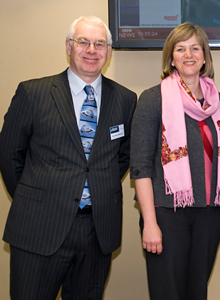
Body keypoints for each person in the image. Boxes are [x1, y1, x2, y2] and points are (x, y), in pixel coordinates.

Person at [0, 15, 137, 300]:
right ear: (68, 47)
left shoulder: (125, 99)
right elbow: (9, 155)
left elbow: (122, 158)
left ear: (108, 52)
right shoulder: (33, 92)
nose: (91, 50)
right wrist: (36, 198)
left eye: (100, 44)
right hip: (39, 227)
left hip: (96, 231)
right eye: (83, 42)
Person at [130, 22, 220, 300]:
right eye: (180, 49)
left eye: (194, 48)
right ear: (171, 56)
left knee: (197, 292)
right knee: (168, 293)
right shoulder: (153, 99)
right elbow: (140, 167)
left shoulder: (218, 102)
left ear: (204, 56)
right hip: (166, 213)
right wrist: (150, 222)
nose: (188, 55)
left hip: (210, 213)